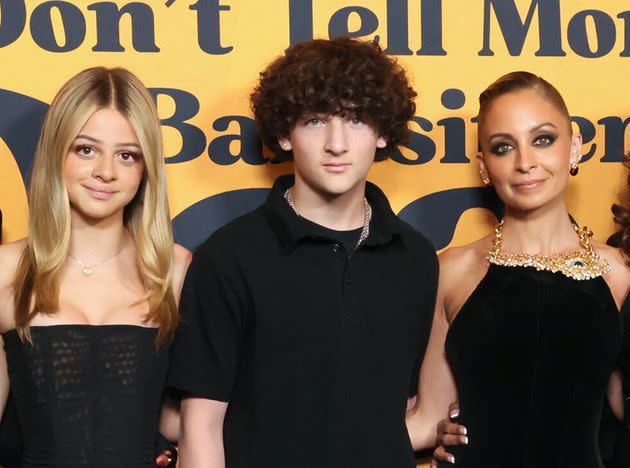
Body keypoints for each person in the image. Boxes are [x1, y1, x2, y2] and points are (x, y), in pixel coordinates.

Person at [167, 37, 439, 467]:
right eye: (315, 121)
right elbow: (200, 428)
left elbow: (412, 411)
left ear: (383, 132)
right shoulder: (230, 255)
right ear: (283, 133)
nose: (336, 143)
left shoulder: (418, 259)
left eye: (355, 119)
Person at [405, 71, 630, 467]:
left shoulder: (620, 272)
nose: (526, 162)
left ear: (575, 146)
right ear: (483, 166)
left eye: (542, 140)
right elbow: (427, 420)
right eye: (503, 147)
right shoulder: (451, 270)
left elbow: (621, 406)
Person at [0, 67, 191, 467]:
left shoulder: (174, 270)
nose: (106, 171)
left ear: (145, 168)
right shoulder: (6, 272)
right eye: (86, 149)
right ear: (57, 151)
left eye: (127, 155)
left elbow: (188, 421)